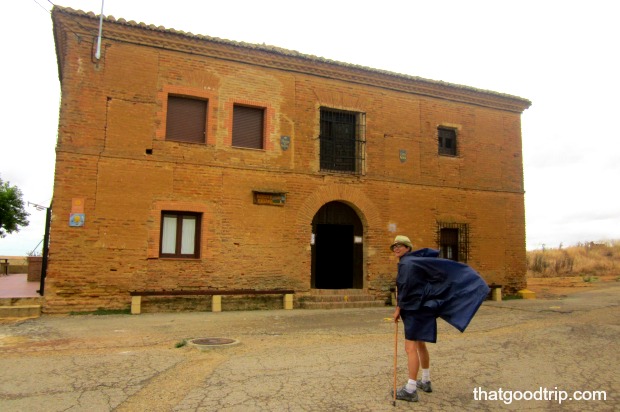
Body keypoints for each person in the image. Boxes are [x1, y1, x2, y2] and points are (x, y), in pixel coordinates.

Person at [390, 235, 490, 403]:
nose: (396, 249)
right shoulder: (416, 261)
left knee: (410, 348)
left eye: (400, 245)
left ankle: (411, 389)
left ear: (408, 248)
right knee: (420, 344)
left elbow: (406, 288)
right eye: (394, 246)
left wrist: (398, 309)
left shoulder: (406, 264)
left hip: (414, 310)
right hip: (423, 308)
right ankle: (426, 380)